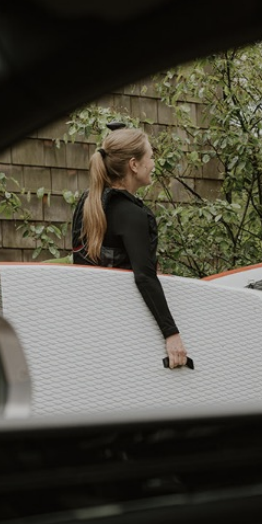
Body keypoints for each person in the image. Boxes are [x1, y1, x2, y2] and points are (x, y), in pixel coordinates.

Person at [71, 124, 189, 368]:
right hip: (127, 326)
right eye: (151, 157)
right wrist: (171, 334)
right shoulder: (131, 214)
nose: (153, 164)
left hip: (89, 322)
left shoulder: (89, 202)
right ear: (134, 165)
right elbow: (144, 277)